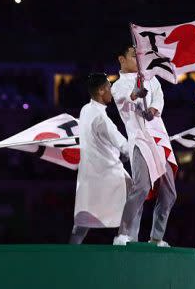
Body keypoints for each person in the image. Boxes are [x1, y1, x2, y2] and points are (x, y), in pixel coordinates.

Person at [111, 45, 177, 247]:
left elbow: (159, 97)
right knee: (141, 187)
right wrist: (134, 94)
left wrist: (154, 109)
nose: (138, 60)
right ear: (122, 59)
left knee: (169, 192)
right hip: (140, 139)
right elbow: (124, 100)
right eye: (133, 56)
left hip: (159, 138)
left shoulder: (150, 78)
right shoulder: (117, 85)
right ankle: (123, 234)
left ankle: (156, 237)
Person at [70, 73, 132, 245]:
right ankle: (124, 237)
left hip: (89, 174)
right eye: (109, 88)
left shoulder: (85, 110)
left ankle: (70, 253)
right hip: (107, 171)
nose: (111, 92)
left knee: (84, 218)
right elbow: (123, 144)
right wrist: (130, 151)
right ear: (100, 90)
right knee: (134, 191)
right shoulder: (102, 119)